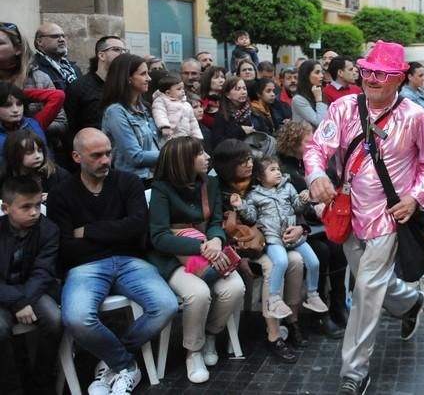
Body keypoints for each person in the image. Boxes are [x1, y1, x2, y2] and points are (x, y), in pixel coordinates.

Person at [305, 40, 424, 395]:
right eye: (367, 71)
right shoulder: (343, 109)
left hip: (388, 216)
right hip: (348, 213)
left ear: (398, 78)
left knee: (365, 288)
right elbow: (317, 147)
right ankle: (410, 302)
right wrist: (317, 174)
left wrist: (415, 197)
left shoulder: (417, 116)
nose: (371, 79)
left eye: (381, 74)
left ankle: (354, 370)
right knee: (372, 282)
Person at [48, 128, 178, 395]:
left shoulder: (128, 182)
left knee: (166, 305)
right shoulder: (62, 194)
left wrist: (88, 231)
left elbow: (137, 226)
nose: (105, 160)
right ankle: (124, 364)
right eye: (96, 155)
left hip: (130, 260)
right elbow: (65, 246)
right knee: (77, 317)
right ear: (76, 156)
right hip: (85, 267)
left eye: (108, 153)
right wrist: (116, 231)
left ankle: (111, 360)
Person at [148, 137, 245, 384]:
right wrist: (200, 246)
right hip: (175, 257)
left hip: (207, 251)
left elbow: (214, 223)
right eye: (199, 154)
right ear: (183, 161)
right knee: (198, 293)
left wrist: (215, 241)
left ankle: (210, 335)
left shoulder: (209, 184)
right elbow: (159, 237)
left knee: (235, 287)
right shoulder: (161, 189)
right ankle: (193, 351)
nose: (206, 157)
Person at [213, 139, 305, 363]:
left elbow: (288, 204)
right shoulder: (217, 188)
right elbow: (216, 225)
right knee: (272, 264)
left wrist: (301, 228)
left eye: (249, 158)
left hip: (269, 238)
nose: (249, 164)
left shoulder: (259, 178)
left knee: (295, 260)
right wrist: (236, 256)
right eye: (242, 161)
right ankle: (273, 335)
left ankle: (291, 320)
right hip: (242, 246)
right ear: (228, 165)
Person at [275, 121, 348, 337]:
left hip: (323, 221)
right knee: (323, 253)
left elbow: (333, 183)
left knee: (338, 247)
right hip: (300, 225)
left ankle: (338, 305)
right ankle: (320, 312)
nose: (313, 144)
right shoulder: (284, 169)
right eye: (308, 141)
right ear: (293, 144)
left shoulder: (316, 161)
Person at [236, 156, 328, 318]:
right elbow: (250, 217)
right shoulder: (254, 195)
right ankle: (274, 298)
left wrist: (302, 199)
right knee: (281, 261)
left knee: (314, 262)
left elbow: (297, 208)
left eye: (278, 169)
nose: (278, 172)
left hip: (294, 236)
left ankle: (312, 294)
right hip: (273, 238)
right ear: (259, 176)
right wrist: (241, 206)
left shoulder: (289, 187)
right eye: (272, 170)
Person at [0, 176, 62, 395]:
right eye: (26, 207)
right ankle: (12, 387)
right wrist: (17, 301)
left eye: (37, 205)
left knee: (54, 319)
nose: (34, 212)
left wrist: (24, 300)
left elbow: (43, 272)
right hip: (4, 292)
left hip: (33, 289)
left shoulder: (48, 230)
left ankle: (43, 381)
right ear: (6, 208)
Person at [101, 54, 160, 183]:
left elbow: (154, 146)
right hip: (131, 182)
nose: (149, 78)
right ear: (128, 78)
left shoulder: (144, 108)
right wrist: (173, 154)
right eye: (143, 74)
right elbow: (135, 156)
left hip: (153, 177)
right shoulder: (115, 112)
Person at [66, 35, 128, 133]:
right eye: (116, 49)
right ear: (101, 55)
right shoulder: (79, 87)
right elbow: (71, 127)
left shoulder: (126, 87)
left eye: (125, 51)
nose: (123, 54)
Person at [1, 129, 70, 197]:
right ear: (14, 154)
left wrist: (54, 197)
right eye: (29, 152)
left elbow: (72, 196)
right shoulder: (4, 178)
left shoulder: (56, 173)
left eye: (40, 151)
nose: (37, 156)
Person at [210, 77, 270, 148]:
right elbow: (219, 143)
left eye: (244, 88)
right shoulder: (221, 117)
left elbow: (267, 135)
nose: (243, 92)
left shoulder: (254, 112)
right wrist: (241, 131)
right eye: (238, 89)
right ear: (227, 95)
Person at [0, 83, 48, 163]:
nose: (15, 110)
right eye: (7, 105)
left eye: (19, 104)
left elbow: (46, 158)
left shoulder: (32, 124)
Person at [151, 74, 203, 142]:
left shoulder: (186, 104)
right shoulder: (161, 101)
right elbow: (159, 113)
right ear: (168, 93)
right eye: (179, 89)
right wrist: (164, 126)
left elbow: (193, 121)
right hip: (169, 136)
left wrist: (197, 135)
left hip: (185, 136)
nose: (182, 91)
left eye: (183, 88)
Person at [33, 22, 82, 91]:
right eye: (55, 36)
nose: (62, 40)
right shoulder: (34, 67)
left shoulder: (75, 68)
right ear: (40, 41)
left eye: (63, 36)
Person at [292, 60, 328, 128]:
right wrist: (319, 100)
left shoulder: (318, 92)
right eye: (317, 72)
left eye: (322, 72)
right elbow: (320, 123)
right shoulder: (298, 99)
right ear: (307, 75)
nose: (322, 76)